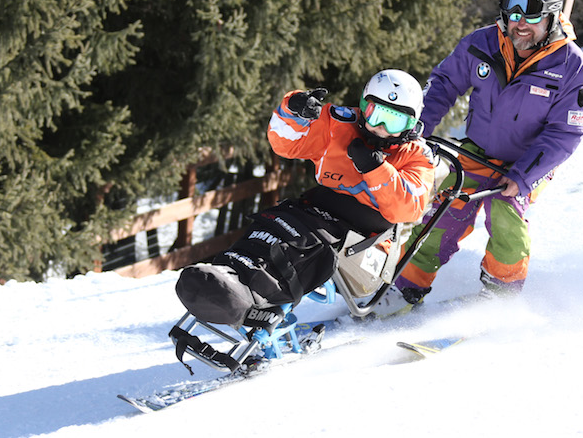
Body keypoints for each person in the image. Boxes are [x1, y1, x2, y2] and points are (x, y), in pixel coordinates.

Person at [375, 0, 583, 314]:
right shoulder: (483, 43)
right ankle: (404, 289)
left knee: (506, 214)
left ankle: (500, 295)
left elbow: (565, 132)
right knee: (445, 213)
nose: (520, 24)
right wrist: (417, 129)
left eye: (532, 15)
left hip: (528, 162)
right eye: (513, 14)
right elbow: (444, 84)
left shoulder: (570, 65)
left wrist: (522, 176)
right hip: (478, 151)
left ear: (552, 17)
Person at [174, 69, 436, 329]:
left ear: (411, 123)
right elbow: (286, 144)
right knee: (272, 222)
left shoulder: (417, 156)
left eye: (394, 122)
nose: (381, 128)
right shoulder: (340, 124)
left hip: (365, 238)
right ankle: (228, 270)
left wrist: (375, 168)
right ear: (364, 107)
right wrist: (293, 112)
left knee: (301, 243)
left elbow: (408, 208)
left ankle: (251, 292)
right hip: (319, 209)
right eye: (376, 115)